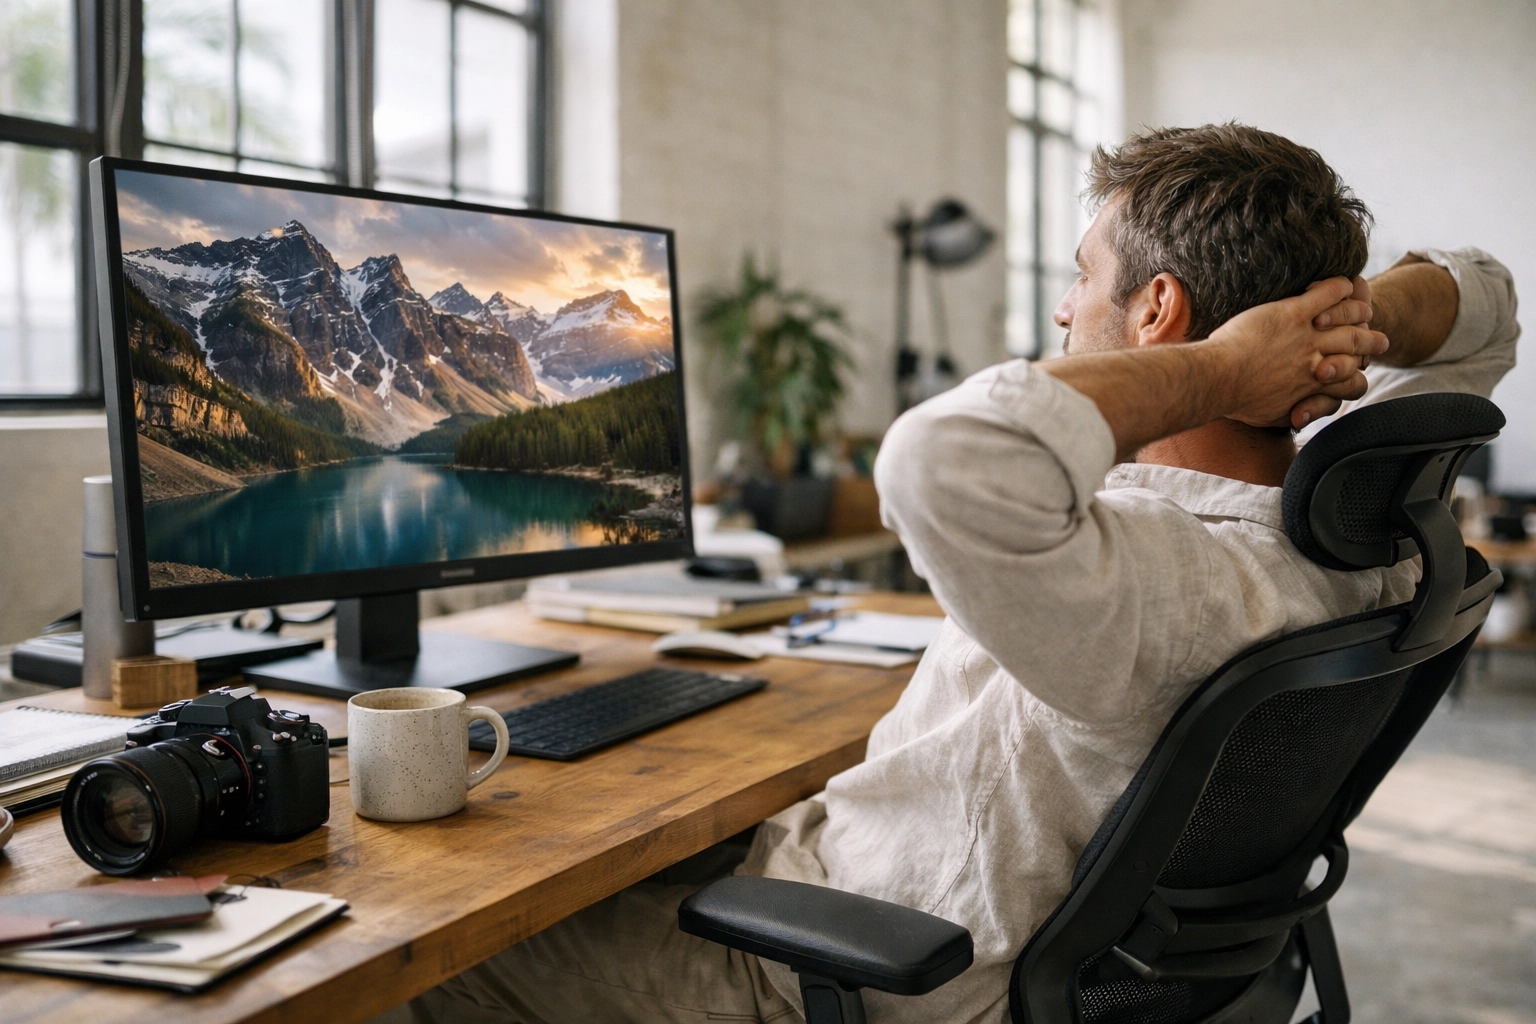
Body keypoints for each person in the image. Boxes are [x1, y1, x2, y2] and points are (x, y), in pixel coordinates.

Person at [401, 124, 1519, 1024]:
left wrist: (1224, 364)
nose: (1063, 310)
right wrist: (1342, 321)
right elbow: (1487, 298)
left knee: (412, 951)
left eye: (1083, 277)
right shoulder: (1354, 535)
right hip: (954, 933)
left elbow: (940, 457)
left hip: (850, 977)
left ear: (1159, 313)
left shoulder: (1168, 578)